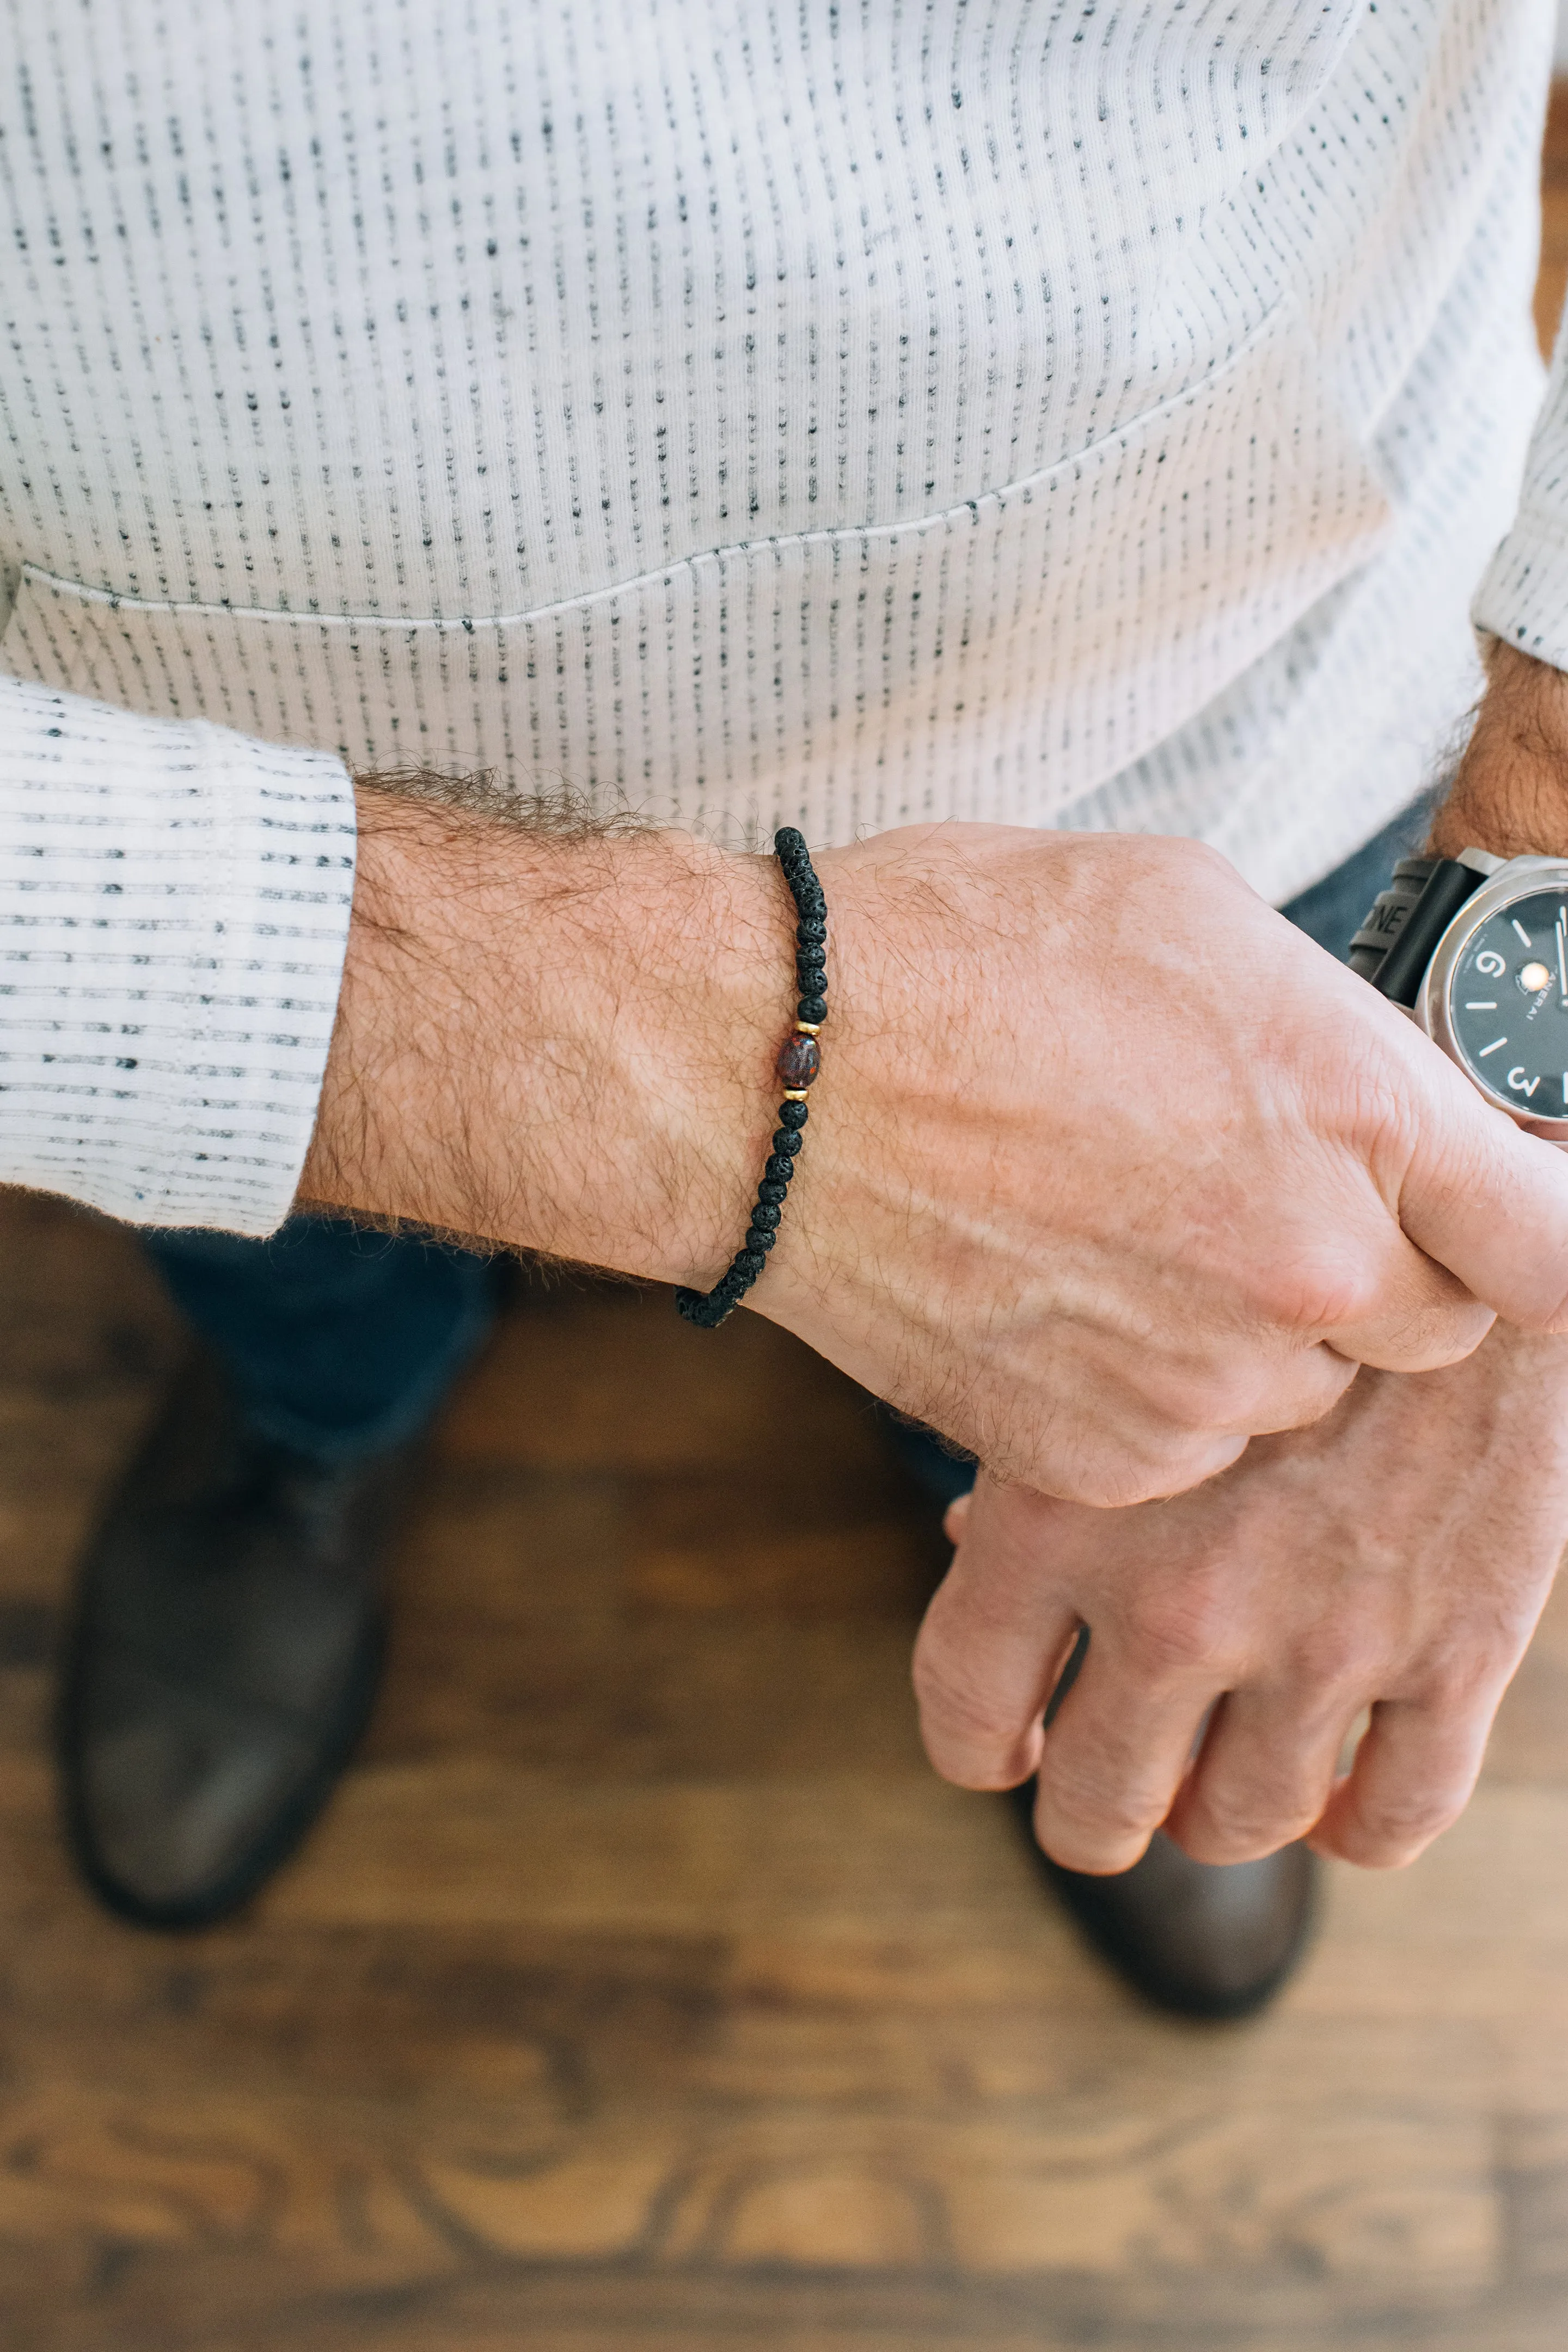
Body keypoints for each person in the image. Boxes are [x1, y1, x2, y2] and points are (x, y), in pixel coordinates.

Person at [7, 0, 1568, 2016]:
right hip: (225, 827)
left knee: (1148, 1361)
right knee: (296, 1260)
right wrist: (721, 1083)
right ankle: (319, 1424)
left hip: (1264, 695)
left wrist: (1506, 1166)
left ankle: (1039, 1491)